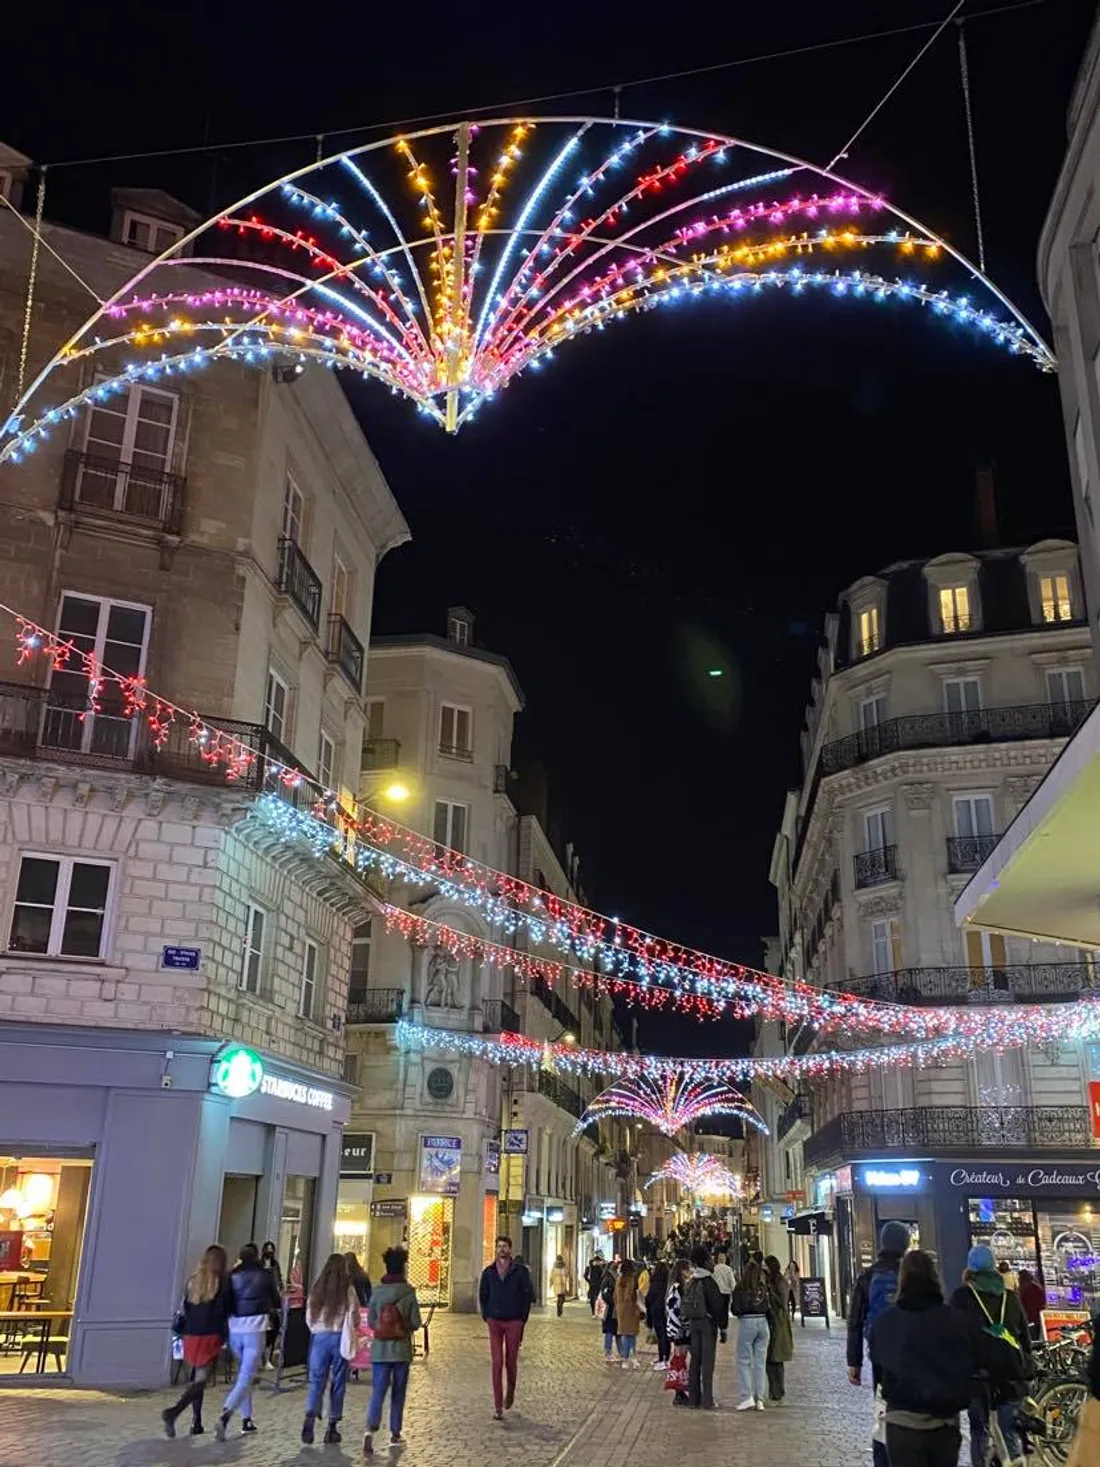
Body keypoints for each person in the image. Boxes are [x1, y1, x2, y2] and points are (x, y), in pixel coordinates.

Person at [870, 1249, 980, 1467]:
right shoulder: (954, 1320)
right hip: (944, 1422)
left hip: (901, 1422)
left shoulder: (886, 1322)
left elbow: (878, 1366)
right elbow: (970, 1361)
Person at [951, 1244, 1033, 1467]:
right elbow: (1025, 1339)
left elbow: (954, 1339)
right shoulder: (1011, 1298)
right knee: (1009, 1433)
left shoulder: (962, 1298)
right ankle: (1014, 1461)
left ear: (970, 1269)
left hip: (978, 1378)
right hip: (1010, 1376)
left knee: (980, 1431)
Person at [847, 1220, 910, 1467]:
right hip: (913, 1355)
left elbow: (855, 1320)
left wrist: (854, 1362)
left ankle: (883, 1458)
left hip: (881, 1357)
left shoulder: (869, 1276)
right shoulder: (913, 1274)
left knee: (883, 1411)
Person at [162, 1245, 231, 1438]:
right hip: (210, 1335)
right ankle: (173, 1412)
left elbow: (185, 1308)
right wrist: (224, 1336)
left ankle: (196, 1421)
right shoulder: (220, 1282)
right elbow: (222, 1311)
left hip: (191, 1335)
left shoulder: (192, 1282)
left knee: (197, 1378)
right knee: (201, 1380)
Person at [214, 1242, 281, 1439]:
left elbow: (225, 1303)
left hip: (235, 1329)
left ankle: (247, 1419)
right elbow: (276, 1300)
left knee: (244, 1375)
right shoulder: (265, 1275)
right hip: (255, 1328)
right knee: (245, 1377)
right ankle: (226, 1413)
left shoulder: (231, 1276)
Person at [363, 1246, 421, 1456]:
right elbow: (416, 1322)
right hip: (401, 1351)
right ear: (403, 1268)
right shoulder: (408, 1292)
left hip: (380, 1352)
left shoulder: (377, 1291)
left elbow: (370, 1321)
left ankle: (370, 1429)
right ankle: (395, 1432)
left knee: (378, 1390)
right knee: (398, 1392)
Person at [302, 1253, 360, 1445]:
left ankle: (311, 1412)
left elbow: (309, 1317)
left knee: (316, 1379)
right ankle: (332, 1426)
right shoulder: (348, 1291)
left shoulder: (316, 1290)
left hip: (319, 1339)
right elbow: (354, 1316)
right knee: (338, 1382)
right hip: (338, 1339)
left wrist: (317, 1329)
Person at [479, 1235, 534, 1420]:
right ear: (495, 1249)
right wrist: (487, 1316)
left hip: (514, 1320)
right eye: (499, 1246)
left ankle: (510, 1393)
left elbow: (528, 1295)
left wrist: (522, 1317)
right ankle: (497, 1406)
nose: (502, 1249)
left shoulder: (520, 1271)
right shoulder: (489, 1272)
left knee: (511, 1361)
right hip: (494, 1320)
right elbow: (483, 1294)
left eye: (505, 1246)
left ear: (510, 1249)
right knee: (496, 1363)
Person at [683, 1244, 728, 1409]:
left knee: (695, 1361)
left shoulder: (691, 1281)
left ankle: (693, 1399)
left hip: (693, 1323)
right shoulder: (709, 1282)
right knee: (707, 1363)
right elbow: (718, 1307)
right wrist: (723, 1328)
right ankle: (707, 1400)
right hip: (707, 1325)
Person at [732, 1256, 771, 1411]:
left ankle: (747, 1396)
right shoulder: (762, 1288)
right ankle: (760, 1398)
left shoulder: (740, 1287)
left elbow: (735, 1309)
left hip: (747, 1322)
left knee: (744, 1360)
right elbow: (768, 1307)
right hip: (763, 1323)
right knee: (760, 1363)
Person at [764, 1255, 793, 1404]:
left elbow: (782, 1302)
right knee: (770, 1359)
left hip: (778, 1323)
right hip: (770, 1322)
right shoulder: (770, 1280)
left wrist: (770, 1293)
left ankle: (778, 1393)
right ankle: (773, 1392)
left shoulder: (780, 1282)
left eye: (766, 1266)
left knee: (776, 1358)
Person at [665, 1258, 692, 1406]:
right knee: (680, 1359)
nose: (690, 1272)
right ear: (682, 1271)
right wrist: (681, 1326)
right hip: (680, 1330)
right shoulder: (677, 1288)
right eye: (688, 1269)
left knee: (680, 1359)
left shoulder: (678, 1287)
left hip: (680, 1329)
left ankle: (680, 1391)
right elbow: (674, 1309)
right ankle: (679, 1391)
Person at [614, 1259, 642, 1369]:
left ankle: (626, 1358)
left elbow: (615, 1295)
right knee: (632, 1334)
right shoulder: (631, 1280)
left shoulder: (619, 1279)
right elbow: (630, 1295)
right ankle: (631, 1357)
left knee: (625, 1334)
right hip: (630, 1309)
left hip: (621, 1309)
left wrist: (617, 1306)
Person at [260, 1241, 283, 1368]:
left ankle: (268, 1357)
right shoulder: (259, 1265)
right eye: (267, 1249)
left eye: (271, 1249)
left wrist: (280, 1288)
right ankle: (264, 1359)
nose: (269, 1252)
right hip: (264, 1302)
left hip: (275, 1301)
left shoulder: (275, 1265)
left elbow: (278, 1280)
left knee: (274, 1330)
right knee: (265, 1331)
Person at [646, 1257, 671, 1369]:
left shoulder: (655, 1282)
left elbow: (649, 1297)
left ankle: (662, 1358)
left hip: (656, 1311)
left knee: (661, 1335)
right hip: (666, 1311)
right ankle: (667, 1357)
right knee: (666, 1334)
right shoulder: (668, 1282)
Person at [712, 1250, 736, 1344]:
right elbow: (732, 1283)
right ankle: (723, 1331)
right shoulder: (728, 1269)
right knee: (724, 1313)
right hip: (726, 1293)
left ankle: (715, 1330)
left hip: (716, 1293)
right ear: (725, 1260)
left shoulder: (714, 1269)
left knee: (716, 1312)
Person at [599, 1260, 619, 1362]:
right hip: (609, 1309)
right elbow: (605, 1294)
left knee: (612, 1330)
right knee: (609, 1330)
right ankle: (608, 1353)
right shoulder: (608, 1278)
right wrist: (614, 1302)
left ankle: (611, 1352)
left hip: (613, 1309)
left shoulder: (613, 1277)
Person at [1017, 1268, 1046, 1338]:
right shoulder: (1035, 1286)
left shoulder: (1027, 1288)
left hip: (1031, 1321)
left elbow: (1028, 1306)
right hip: (1036, 1320)